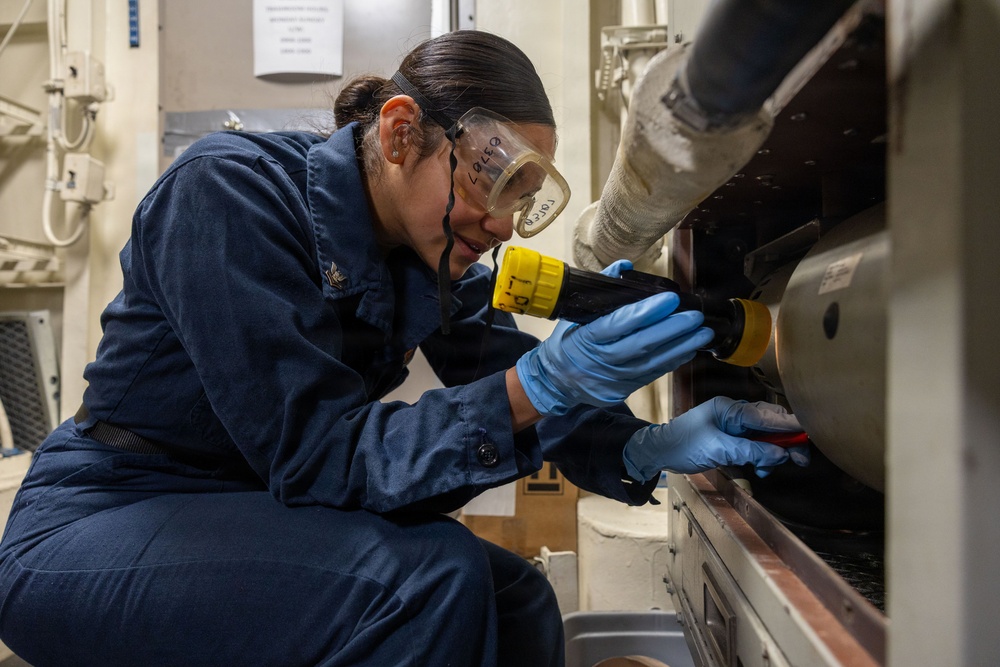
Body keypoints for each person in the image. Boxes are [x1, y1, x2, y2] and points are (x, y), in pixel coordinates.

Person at [0, 30, 807, 667]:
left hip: (231, 510)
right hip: (95, 519)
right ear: (399, 133)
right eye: (495, 183)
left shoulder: (429, 262)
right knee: (425, 584)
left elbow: (511, 380)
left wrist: (639, 445)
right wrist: (547, 379)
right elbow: (319, 456)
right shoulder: (226, 193)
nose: (499, 223)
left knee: (515, 598)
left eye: (524, 202)